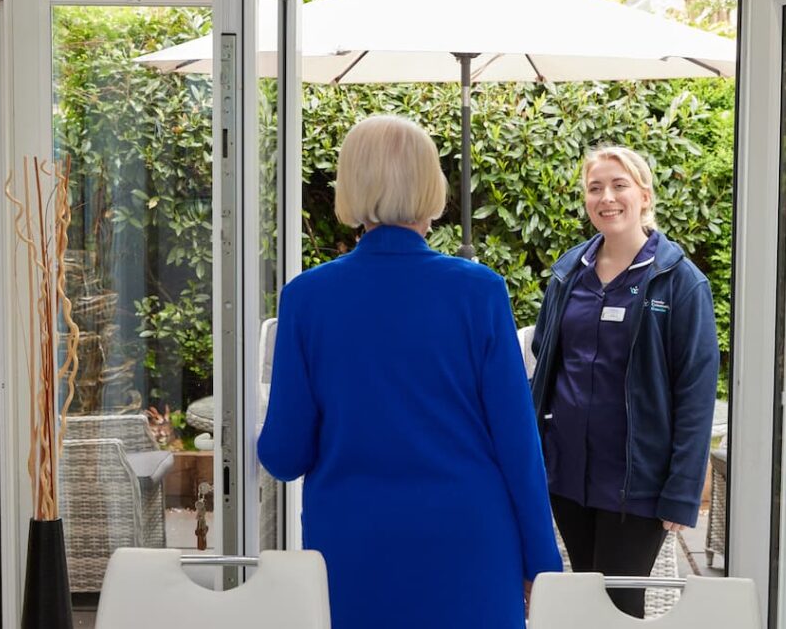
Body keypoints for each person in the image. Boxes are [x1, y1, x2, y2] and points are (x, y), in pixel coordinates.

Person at [258, 114, 561, 629]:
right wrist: (541, 562)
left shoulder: (307, 298)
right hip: (469, 546)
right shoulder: (478, 291)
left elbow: (285, 456)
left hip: (353, 550)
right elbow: (518, 443)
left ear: (350, 184)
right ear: (430, 185)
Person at [530, 145, 719, 618]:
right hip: (568, 474)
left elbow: (696, 391)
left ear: (644, 194)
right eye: (595, 188)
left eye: (619, 185)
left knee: (620, 604)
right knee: (583, 596)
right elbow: (546, 359)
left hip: (638, 482)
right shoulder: (568, 273)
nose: (606, 197)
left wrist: (681, 490)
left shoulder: (679, 282)